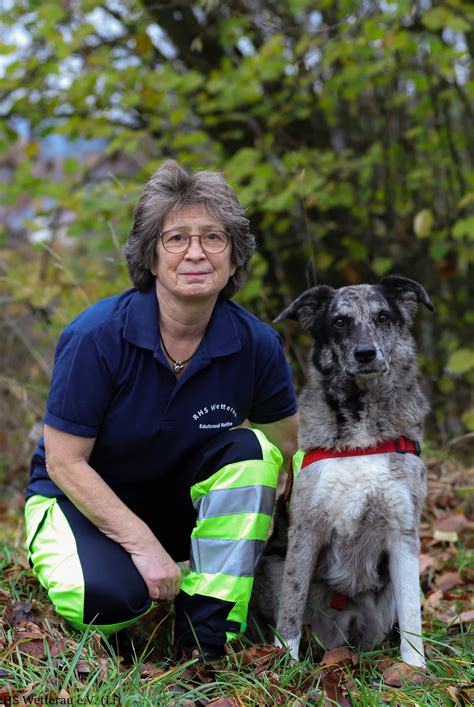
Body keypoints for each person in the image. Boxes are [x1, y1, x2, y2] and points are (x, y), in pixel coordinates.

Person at [25, 160, 298, 660]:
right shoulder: (95, 337)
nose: (195, 253)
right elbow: (65, 463)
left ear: (234, 258)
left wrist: (274, 501)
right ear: (150, 258)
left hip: (179, 508)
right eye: (176, 239)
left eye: (213, 238)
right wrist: (143, 546)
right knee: (108, 601)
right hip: (79, 503)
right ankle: (115, 586)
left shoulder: (257, 343)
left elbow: (288, 444)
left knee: (255, 453)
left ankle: (205, 636)